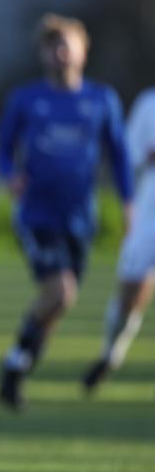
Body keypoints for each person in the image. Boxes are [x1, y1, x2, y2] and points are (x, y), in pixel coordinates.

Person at [0, 14, 133, 410]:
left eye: (66, 43)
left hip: (80, 219)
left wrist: (128, 202)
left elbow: (119, 155)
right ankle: (15, 363)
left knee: (59, 303)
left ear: (84, 50)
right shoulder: (26, 99)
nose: (60, 52)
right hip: (37, 214)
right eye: (52, 45)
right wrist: (10, 175)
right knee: (61, 291)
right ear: (42, 53)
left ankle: (17, 367)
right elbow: (2, 148)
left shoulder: (102, 100)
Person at [82, 88, 155, 392]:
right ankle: (111, 353)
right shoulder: (149, 104)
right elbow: (129, 156)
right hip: (151, 211)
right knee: (132, 289)